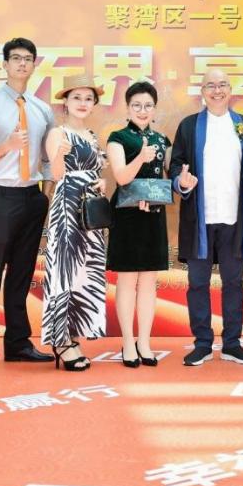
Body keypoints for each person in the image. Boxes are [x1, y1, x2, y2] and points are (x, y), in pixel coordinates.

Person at [0, 38, 55, 374]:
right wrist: (5, 146)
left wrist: (46, 192)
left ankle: (18, 343)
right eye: (16, 58)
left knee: (22, 273)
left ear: (34, 65)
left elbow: (48, 158)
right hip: (1, 195)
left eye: (28, 59)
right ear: (4, 64)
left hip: (32, 197)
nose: (22, 64)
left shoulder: (41, 109)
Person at [169, 68, 243, 367]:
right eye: (211, 85)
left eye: (222, 85)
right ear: (202, 92)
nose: (217, 90)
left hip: (234, 218)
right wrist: (182, 182)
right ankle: (202, 344)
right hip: (200, 219)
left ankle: (232, 344)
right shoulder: (189, 126)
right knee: (198, 283)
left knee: (234, 283)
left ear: (230, 90)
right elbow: (176, 166)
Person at [41, 73, 108, 371]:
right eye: (77, 97)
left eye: (88, 98)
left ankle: (73, 336)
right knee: (64, 270)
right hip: (68, 205)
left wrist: (101, 183)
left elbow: (97, 171)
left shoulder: (92, 135)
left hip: (90, 210)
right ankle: (60, 340)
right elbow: (56, 174)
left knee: (85, 272)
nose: (83, 103)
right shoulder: (58, 133)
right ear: (65, 102)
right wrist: (59, 154)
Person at [106, 80, 171, 368]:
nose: (142, 110)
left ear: (154, 109)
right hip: (127, 216)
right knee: (127, 280)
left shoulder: (162, 139)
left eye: (148, 105)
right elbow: (121, 177)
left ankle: (144, 341)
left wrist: (181, 179)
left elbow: (170, 176)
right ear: (127, 108)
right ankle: (127, 341)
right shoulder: (118, 137)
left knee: (148, 281)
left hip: (153, 214)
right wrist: (141, 158)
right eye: (136, 105)